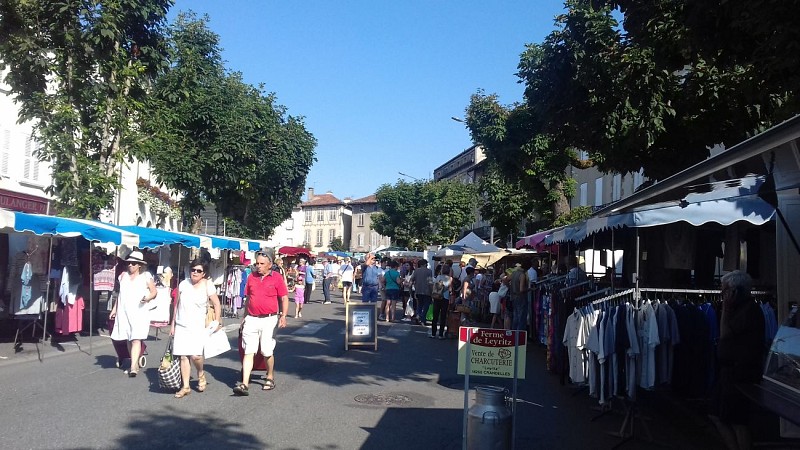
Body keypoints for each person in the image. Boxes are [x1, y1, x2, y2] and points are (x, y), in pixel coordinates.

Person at [710, 270, 765, 450]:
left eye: (725, 291)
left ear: (735, 291)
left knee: (738, 421)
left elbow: (725, 334)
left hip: (740, 374)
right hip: (730, 373)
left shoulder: (748, 310)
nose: (722, 295)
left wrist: (725, 307)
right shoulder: (742, 309)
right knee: (718, 415)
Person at [233, 251, 289, 396]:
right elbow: (249, 299)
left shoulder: (276, 278)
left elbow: (284, 298)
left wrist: (283, 316)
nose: (258, 266)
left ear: (270, 265)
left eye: (261, 264)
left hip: (269, 319)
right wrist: (244, 318)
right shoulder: (251, 277)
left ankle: (270, 376)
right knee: (249, 350)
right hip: (252, 318)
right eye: (257, 263)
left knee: (266, 350)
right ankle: (245, 383)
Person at [170, 259, 221, 398]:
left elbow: (216, 304)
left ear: (203, 273)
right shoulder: (183, 284)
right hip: (182, 324)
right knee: (183, 356)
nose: (195, 273)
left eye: (199, 271)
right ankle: (185, 386)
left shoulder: (207, 285)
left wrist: (217, 321)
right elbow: (176, 305)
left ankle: (200, 373)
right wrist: (173, 324)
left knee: (196, 355)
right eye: (193, 270)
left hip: (198, 326)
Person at [110, 250, 157, 377]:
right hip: (124, 311)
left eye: (133, 263)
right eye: (129, 263)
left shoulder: (146, 276)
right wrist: (114, 309)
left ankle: (133, 367)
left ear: (139, 265)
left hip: (139, 311)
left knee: (136, 338)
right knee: (128, 338)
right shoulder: (123, 276)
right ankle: (134, 363)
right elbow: (121, 295)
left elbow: (154, 292)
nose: (130, 265)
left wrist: (147, 298)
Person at [430, 264, 452, 339]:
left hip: (437, 297)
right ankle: (440, 334)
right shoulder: (450, 279)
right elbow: (450, 289)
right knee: (443, 317)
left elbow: (434, 286)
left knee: (435, 316)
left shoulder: (438, 277)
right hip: (445, 298)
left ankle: (433, 333)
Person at [411, 259, 433, 326]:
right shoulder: (429, 271)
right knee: (426, 306)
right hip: (427, 291)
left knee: (419, 305)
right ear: (424, 264)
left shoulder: (416, 271)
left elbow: (412, 280)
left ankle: (418, 315)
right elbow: (430, 282)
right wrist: (432, 291)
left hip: (418, 290)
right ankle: (423, 319)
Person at [510, 263, 529, 331]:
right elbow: (521, 289)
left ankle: (514, 333)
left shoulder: (513, 273)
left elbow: (505, 279)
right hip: (520, 297)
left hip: (513, 296)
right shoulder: (522, 275)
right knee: (521, 317)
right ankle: (520, 335)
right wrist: (529, 289)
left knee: (515, 316)